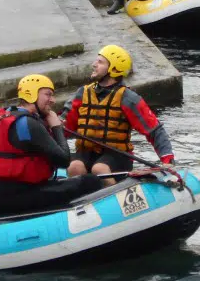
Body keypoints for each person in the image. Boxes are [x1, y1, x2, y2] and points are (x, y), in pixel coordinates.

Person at [0, 74, 102, 214]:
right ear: (31, 94)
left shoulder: (8, 114)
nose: (53, 100)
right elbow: (64, 160)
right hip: (17, 198)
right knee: (90, 181)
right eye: (48, 94)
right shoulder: (29, 123)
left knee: (61, 180)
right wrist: (56, 127)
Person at [64, 45, 175, 186]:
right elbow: (66, 125)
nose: (94, 64)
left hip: (117, 157)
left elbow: (154, 130)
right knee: (74, 167)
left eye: (100, 62)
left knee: (99, 169)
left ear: (114, 69)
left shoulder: (128, 98)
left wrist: (167, 160)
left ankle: (114, 196)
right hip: (86, 153)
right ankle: (81, 196)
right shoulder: (82, 93)